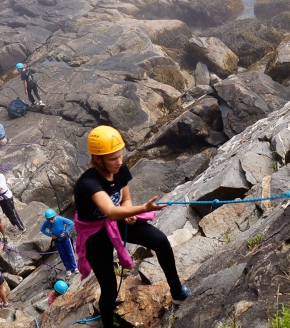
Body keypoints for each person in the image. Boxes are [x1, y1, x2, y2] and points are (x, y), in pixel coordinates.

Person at [74, 126, 191, 326]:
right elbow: (110, 211)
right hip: (95, 235)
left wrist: (129, 212)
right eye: (112, 158)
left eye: (120, 156)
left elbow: (125, 200)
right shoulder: (89, 183)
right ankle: (108, 324)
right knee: (109, 287)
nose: (119, 162)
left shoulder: (119, 169)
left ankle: (177, 291)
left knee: (160, 241)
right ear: (98, 159)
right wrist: (143, 208)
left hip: (116, 221)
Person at [0, 163, 25, 231]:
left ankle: (21, 227)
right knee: (7, 213)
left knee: (12, 213)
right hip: (1, 198)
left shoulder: (0, 177)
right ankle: (15, 225)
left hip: (6, 197)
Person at [40, 208, 78, 277]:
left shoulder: (59, 219)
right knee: (62, 254)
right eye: (49, 220)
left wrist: (66, 232)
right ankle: (68, 268)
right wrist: (50, 235)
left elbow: (71, 223)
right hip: (57, 240)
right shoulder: (46, 223)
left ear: (54, 216)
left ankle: (75, 267)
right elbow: (42, 229)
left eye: (52, 219)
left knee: (70, 253)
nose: (51, 221)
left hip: (65, 238)